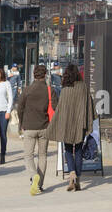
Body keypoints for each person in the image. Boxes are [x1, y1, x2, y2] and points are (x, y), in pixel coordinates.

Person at [49, 62, 96, 192]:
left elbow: (61, 109)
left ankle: (72, 174)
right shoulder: (83, 87)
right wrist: (89, 120)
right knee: (79, 150)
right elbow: (89, 104)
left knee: (68, 151)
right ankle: (78, 180)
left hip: (67, 125)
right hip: (80, 124)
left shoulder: (65, 89)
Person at [17, 64, 58, 195]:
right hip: (44, 126)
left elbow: (20, 108)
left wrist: (22, 123)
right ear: (45, 74)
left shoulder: (27, 89)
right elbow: (56, 107)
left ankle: (34, 175)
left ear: (34, 74)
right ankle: (39, 185)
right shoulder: (49, 90)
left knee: (28, 155)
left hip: (29, 126)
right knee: (43, 155)